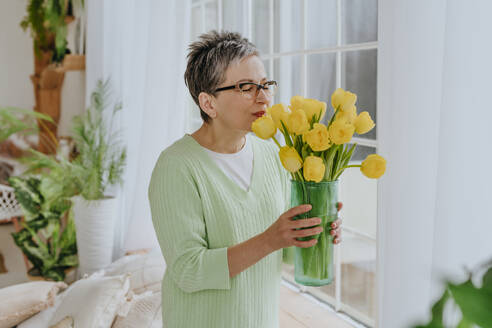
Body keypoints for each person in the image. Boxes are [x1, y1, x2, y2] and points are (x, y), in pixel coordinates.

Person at [148, 30, 342, 328]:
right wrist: (270, 238)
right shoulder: (176, 166)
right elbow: (188, 271)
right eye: (246, 87)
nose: (263, 97)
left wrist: (314, 229)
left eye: (265, 85)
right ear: (208, 103)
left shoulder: (273, 155)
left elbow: (284, 253)